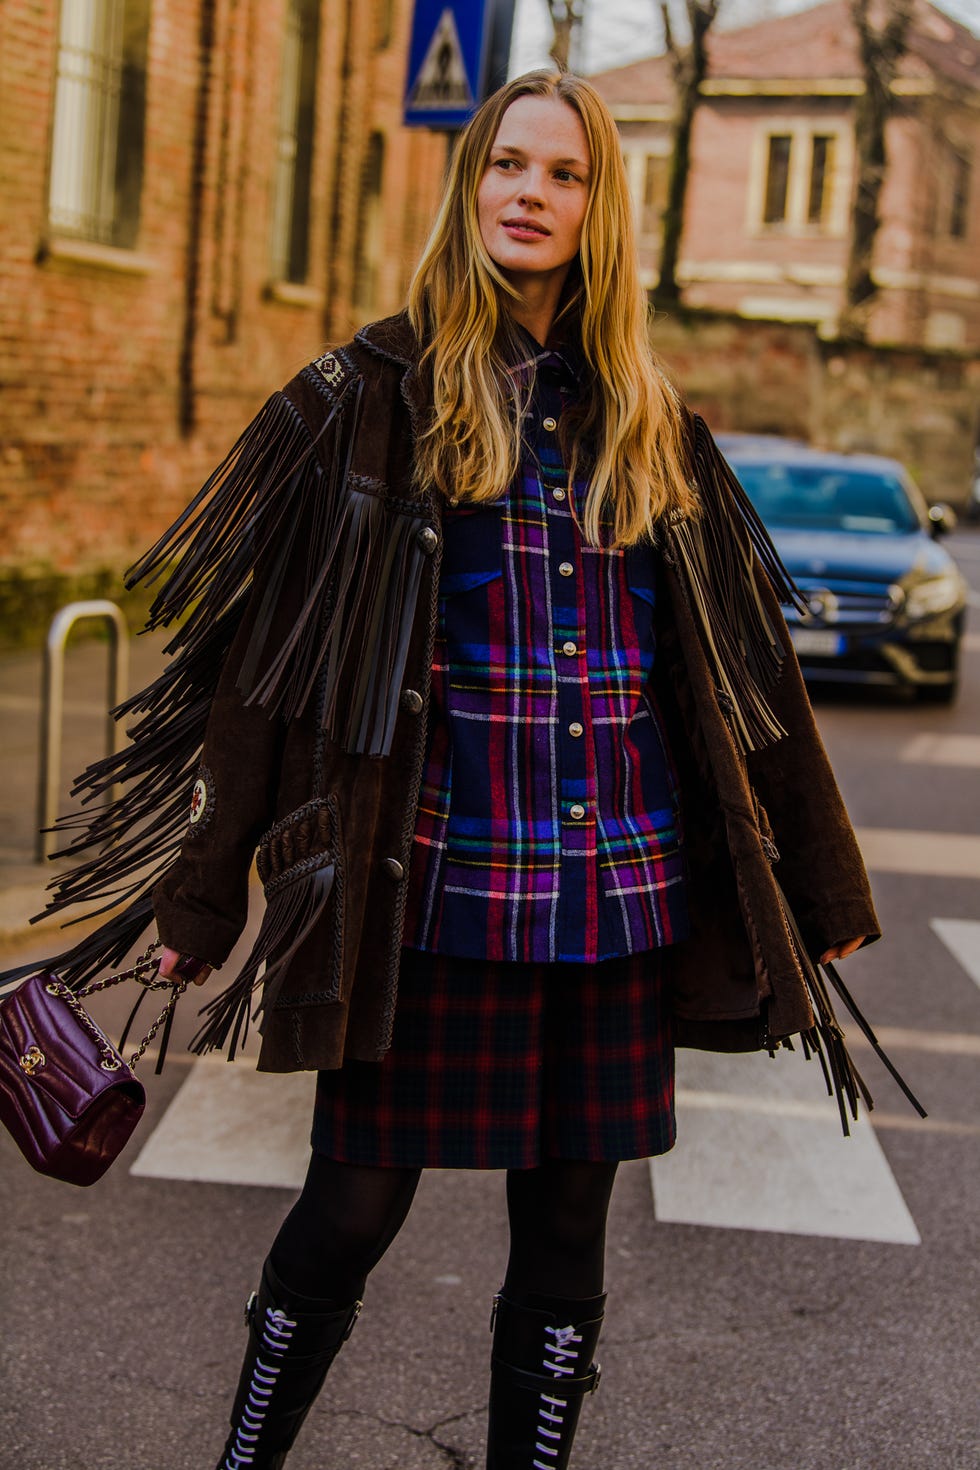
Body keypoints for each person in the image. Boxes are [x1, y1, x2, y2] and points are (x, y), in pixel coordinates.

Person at [16, 71, 885, 1470]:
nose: (528, 193)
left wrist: (824, 879)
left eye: (564, 173)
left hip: (614, 899)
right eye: (505, 166)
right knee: (350, 1207)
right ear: (467, 188)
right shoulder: (365, 402)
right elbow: (261, 678)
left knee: (566, 1226)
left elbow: (751, 680)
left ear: (602, 209)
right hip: (431, 897)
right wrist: (198, 893)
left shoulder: (657, 428)